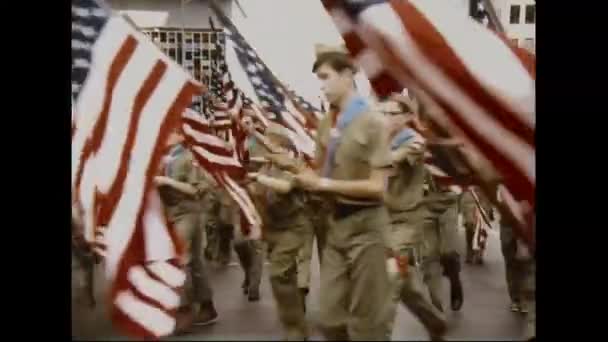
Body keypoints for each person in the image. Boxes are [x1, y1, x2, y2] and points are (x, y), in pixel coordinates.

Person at [292, 44, 393, 340]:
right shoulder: (326, 122)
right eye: (319, 79)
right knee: (329, 317)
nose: (321, 86)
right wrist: (296, 173)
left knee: (366, 323)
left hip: (367, 227)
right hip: (335, 224)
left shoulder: (373, 122)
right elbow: (318, 169)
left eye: (325, 77)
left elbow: (377, 187)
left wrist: (323, 185)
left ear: (347, 75)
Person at [379, 95, 447, 341]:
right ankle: (435, 322)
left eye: (392, 113)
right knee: (405, 286)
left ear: (407, 117)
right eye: (382, 112)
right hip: (380, 221)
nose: (385, 118)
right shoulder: (377, 140)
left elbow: (395, 159)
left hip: (405, 222)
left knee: (389, 279)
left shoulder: (413, 141)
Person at [247, 122, 312, 340]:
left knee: (278, 272)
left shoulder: (293, 163)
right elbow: (258, 195)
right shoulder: (268, 165)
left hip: (294, 226)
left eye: (272, 142)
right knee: (284, 279)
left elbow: (285, 187)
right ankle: (295, 325)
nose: (267, 146)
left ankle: (295, 327)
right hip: (274, 226)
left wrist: (259, 178)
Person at [155, 131, 218, 332]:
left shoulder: (188, 158)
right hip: (171, 213)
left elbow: (196, 189)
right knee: (195, 261)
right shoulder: (164, 158)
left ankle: (184, 309)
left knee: (179, 259)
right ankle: (207, 306)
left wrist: (167, 182)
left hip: (188, 213)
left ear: (180, 136)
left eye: (170, 131)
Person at [497, 188, 535, 340]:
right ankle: (515, 297)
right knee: (511, 260)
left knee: (527, 261)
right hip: (508, 221)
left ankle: (526, 299)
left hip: (528, 220)